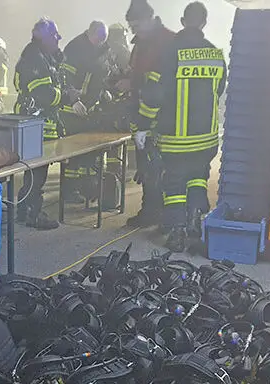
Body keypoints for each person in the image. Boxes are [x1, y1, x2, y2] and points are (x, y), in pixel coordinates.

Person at [143, 1, 227, 252]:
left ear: (182, 21)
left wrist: (143, 124)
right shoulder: (215, 54)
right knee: (198, 177)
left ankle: (177, 231)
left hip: (176, 138)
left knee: (175, 184)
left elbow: (154, 94)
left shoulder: (169, 52)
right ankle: (195, 218)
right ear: (204, 23)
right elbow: (219, 90)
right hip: (206, 139)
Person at [14, 18, 82, 230]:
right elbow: (43, 94)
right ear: (42, 37)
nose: (58, 39)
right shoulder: (35, 59)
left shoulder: (44, 57)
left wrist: (70, 94)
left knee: (35, 171)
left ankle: (25, 209)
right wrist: (67, 97)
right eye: (54, 36)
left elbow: (56, 83)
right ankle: (33, 214)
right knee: (36, 172)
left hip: (41, 123)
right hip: (35, 124)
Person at [119, 0, 176, 229]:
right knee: (147, 167)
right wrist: (126, 80)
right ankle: (151, 210)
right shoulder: (141, 44)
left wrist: (133, 84)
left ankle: (160, 213)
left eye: (136, 25)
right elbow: (138, 73)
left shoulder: (167, 41)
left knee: (158, 168)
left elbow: (159, 84)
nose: (134, 31)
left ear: (149, 19)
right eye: (131, 27)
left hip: (159, 118)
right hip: (143, 115)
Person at [59, 21, 109, 204]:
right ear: (90, 33)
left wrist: (103, 92)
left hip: (88, 109)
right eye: (99, 38)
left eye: (104, 39)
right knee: (72, 152)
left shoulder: (99, 49)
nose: (101, 42)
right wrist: (73, 100)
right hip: (71, 109)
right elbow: (64, 77)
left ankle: (84, 188)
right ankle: (69, 191)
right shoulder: (75, 48)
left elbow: (98, 75)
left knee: (85, 152)